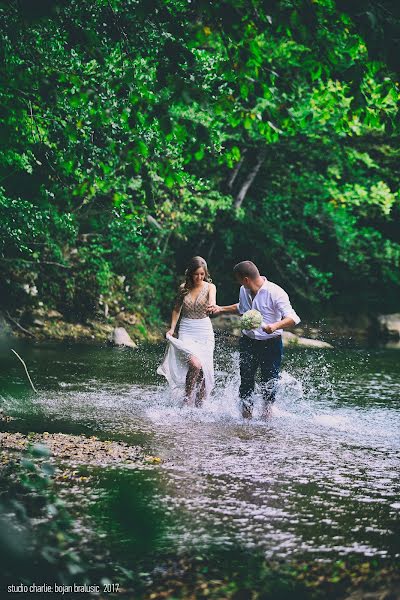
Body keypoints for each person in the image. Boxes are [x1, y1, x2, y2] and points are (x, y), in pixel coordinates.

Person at [208, 261, 300, 419]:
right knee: (246, 380)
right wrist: (221, 308)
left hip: (271, 343)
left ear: (245, 279)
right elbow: (242, 307)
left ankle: (266, 418)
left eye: (238, 279)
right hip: (248, 342)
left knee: (269, 381)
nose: (238, 283)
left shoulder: (276, 292)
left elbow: (293, 318)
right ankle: (246, 419)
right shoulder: (244, 290)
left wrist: (275, 326)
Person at [157, 256, 217, 407]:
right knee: (195, 364)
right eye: (196, 274)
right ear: (190, 273)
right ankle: (187, 399)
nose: (199, 277)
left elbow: (212, 301)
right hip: (187, 329)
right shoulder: (183, 288)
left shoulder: (210, 287)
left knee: (204, 369)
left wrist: (211, 305)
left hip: (204, 331)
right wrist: (172, 328)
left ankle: (200, 405)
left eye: (202, 274)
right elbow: (177, 309)